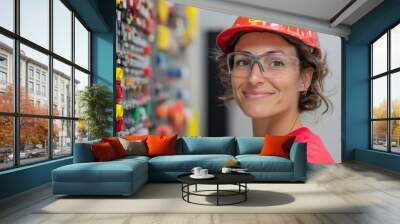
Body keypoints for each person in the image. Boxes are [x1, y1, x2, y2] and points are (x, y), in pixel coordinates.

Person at [215, 17, 334, 164]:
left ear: (304, 79)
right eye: (243, 62)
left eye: (276, 63)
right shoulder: (268, 153)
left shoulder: (305, 162)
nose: (253, 78)